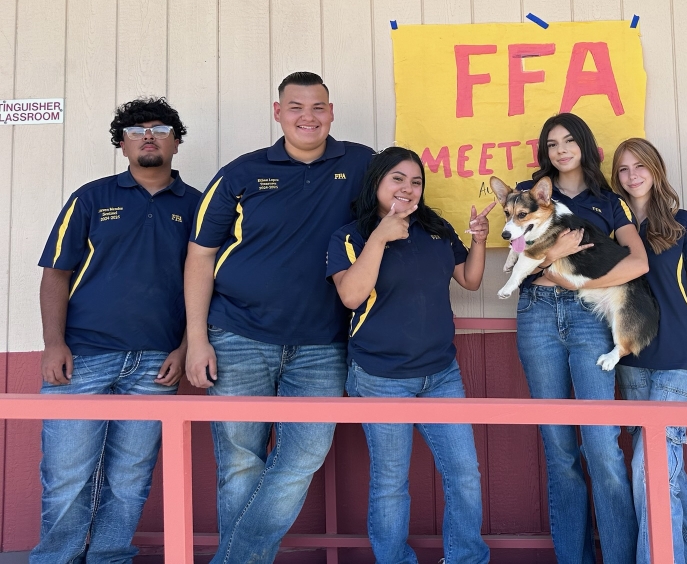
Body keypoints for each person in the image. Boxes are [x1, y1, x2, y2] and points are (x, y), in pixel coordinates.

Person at [184, 72, 373, 564]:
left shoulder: (362, 165)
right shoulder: (240, 174)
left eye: (317, 107)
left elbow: (403, 207)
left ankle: (234, 559)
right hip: (237, 335)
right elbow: (200, 258)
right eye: (295, 107)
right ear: (277, 112)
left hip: (323, 344)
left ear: (331, 112)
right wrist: (197, 339)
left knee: (304, 455)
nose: (307, 117)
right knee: (239, 465)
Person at [31, 98, 201, 564]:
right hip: (81, 357)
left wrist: (185, 348)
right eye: (135, 130)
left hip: (156, 363)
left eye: (161, 128)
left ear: (176, 141)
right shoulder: (92, 197)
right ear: (122, 144)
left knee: (130, 479)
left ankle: (108, 558)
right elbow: (55, 273)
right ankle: (56, 560)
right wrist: (53, 344)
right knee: (66, 476)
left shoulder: (199, 206)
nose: (149, 135)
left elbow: (207, 283)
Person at [328, 147, 492, 564]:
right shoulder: (351, 235)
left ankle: (466, 558)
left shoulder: (435, 228)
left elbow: (470, 281)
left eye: (416, 181)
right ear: (377, 184)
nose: (407, 188)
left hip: (441, 373)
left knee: (465, 476)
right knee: (390, 482)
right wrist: (382, 235)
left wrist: (479, 239)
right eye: (397, 179)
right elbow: (350, 296)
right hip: (381, 376)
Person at [513, 112, 647, 564]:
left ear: (585, 146)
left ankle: (620, 558)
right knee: (559, 448)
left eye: (569, 141)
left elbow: (638, 263)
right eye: (552, 144)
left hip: (591, 316)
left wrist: (579, 285)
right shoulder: (528, 196)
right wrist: (553, 260)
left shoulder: (610, 201)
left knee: (601, 446)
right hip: (536, 315)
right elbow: (516, 257)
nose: (561, 150)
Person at [611, 138, 687, 564]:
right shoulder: (613, 227)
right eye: (623, 169)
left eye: (640, 166)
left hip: (678, 356)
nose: (632, 175)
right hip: (633, 362)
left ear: (656, 170)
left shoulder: (682, 222)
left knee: (650, 468)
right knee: (664, 473)